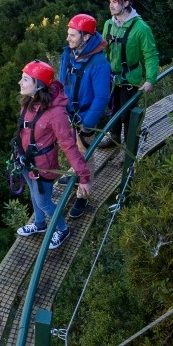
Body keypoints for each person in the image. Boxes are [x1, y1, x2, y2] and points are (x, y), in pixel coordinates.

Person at [14, 60, 92, 250]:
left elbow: (69, 146)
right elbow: (26, 133)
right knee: (33, 195)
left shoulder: (56, 114)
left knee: (44, 201)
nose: (20, 83)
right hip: (26, 161)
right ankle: (40, 224)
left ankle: (62, 229)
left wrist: (84, 177)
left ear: (38, 85)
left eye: (25, 79)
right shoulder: (28, 102)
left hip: (43, 165)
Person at [58, 13, 110, 218]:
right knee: (71, 147)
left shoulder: (99, 63)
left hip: (85, 115)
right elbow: (63, 83)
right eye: (68, 34)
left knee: (85, 153)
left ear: (86, 36)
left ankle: (83, 194)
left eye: (72, 35)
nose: (68, 39)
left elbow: (102, 98)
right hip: (69, 112)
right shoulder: (69, 54)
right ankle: (74, 172)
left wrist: (87, 125)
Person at [101, 0, 159, 145]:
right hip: (112, 76)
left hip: (130, 77)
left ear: (126, 3)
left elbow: (151, 55)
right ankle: (114, 136)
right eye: (110, 2)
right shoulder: (109, 24)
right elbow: (103, 50)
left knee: (126, 113)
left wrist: (150, 79)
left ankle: (129, 145)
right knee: (113, 107)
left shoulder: (141, 28)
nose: (111, 5)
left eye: (115, 2)